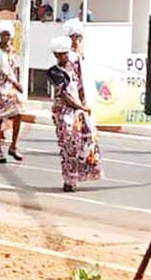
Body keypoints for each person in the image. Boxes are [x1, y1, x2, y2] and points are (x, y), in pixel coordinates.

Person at [48, 36, 103, 192]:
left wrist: (84, 106)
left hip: (79, 110)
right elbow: (65, 95)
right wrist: (81, 107)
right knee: (68, 146)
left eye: (65, 53)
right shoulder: (55, 72)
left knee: (84, 143)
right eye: (60, 54)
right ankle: (69, 180)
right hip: (65, 112)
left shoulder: (74, 68)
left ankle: (77, 176)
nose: (64, 57)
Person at [0, 20, 24, 163]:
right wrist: (16, 83)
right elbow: (3, 70)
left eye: (8, 35)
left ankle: (13, 146)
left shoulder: (12, 51)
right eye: (3, 35)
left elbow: (13, 68)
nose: (6, 38)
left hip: (11, 87)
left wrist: (16, 82)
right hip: (0, 87)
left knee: (18, 114)